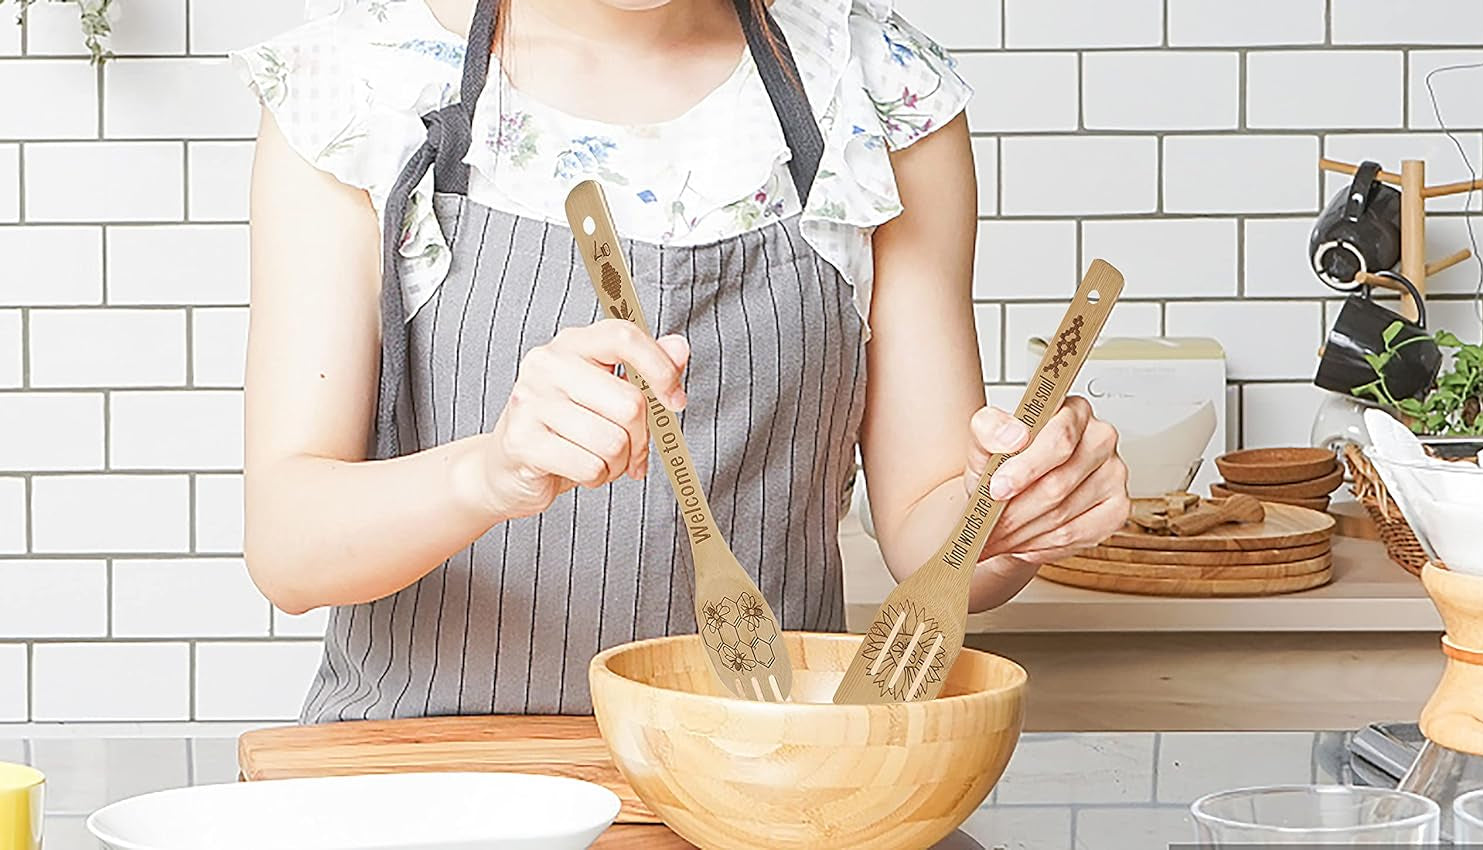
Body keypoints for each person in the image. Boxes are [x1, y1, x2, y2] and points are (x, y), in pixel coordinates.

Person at [235, 0, 1129, 722]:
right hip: (429, 774)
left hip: (766, 778)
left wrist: (1015, 510)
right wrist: (492, 472)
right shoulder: (354, 88)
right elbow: (290, 547)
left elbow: (936, 548)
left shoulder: (877, 88)